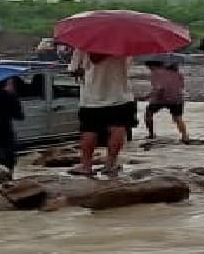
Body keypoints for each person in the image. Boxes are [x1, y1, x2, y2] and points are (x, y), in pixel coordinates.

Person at [68, 49, 135, 177]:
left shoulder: (84, 44)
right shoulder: (124, 43)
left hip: (91, 98)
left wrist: (84, 71)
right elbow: (127, 67)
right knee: (118, 128)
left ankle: (86, 166)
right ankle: (110, 164)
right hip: (119, 95)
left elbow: (73, 70)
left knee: (89, 130)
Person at [144, 61, 190, 143]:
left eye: (148, 66)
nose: (148, 68)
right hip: (177, 99)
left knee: (148, 113)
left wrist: (146, 97)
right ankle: (185, 136)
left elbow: (159, 89)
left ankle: (151, 134)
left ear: (152, 66)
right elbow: (181, 87)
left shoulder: (156, 74)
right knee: (178, 118)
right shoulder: (179, 74)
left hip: (161, 99)